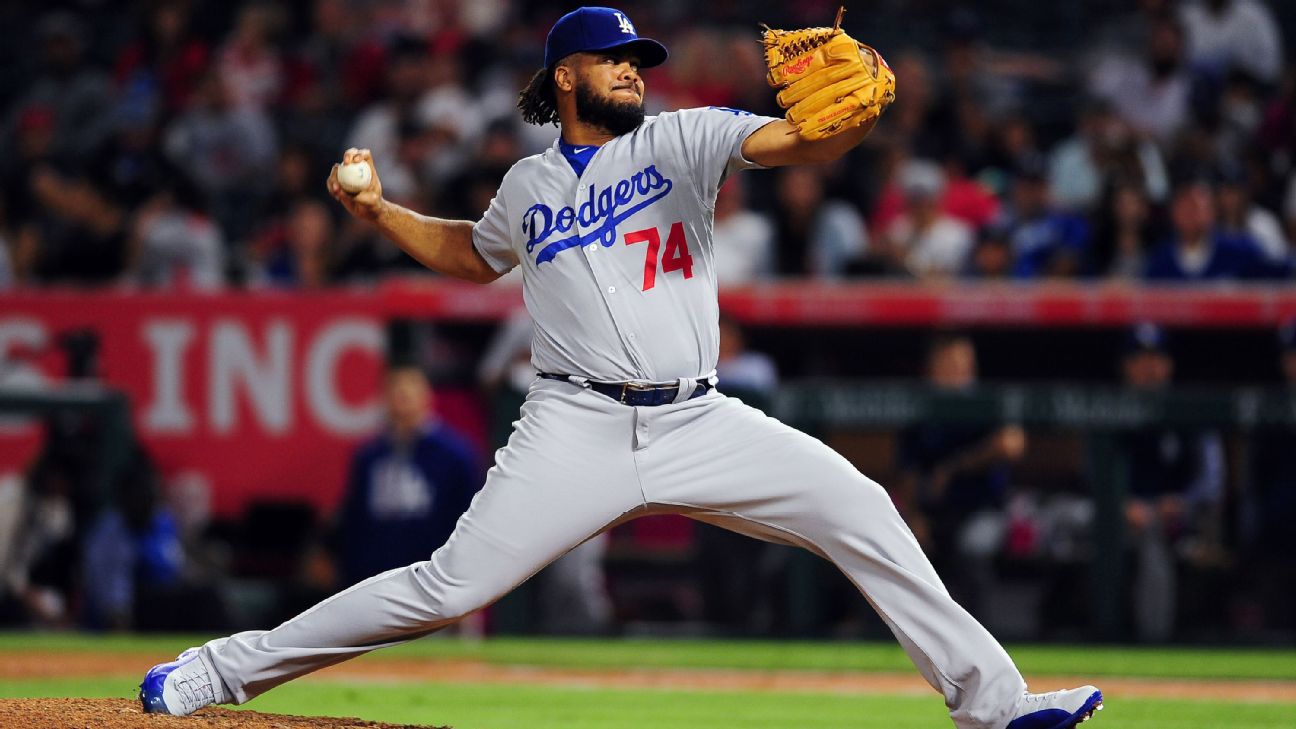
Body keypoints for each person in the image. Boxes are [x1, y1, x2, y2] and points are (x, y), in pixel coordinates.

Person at [140, 8, 1102, 728]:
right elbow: (473, 256)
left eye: (644, 60)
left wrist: (859, 121)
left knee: (863, 508)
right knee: (444, 588)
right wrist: (378, 214)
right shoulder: (527, 184)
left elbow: (804, 135)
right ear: (567, 76)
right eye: (618, 60)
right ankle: (220, 669)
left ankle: (998, 704)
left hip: (700, 418)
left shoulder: (685, 139)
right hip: (573, 427)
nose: (639, 73)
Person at [895, 334, 1027, 619]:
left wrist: (957, 466)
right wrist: (914, 518)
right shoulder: (920, 410)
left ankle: (983, 638)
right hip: (936, 514)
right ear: (933, 367)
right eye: (949, 362)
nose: (958, 369)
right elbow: (908, 473)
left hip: (986, 510)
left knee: (973, 547)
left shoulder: (987, 401)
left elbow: (1012, 443)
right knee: (900, 548)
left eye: (963, 362)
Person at [1116, 324, 1225, 642]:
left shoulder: (1189, 411)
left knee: (1152, 535)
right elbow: (1090, 476)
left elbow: (1212, 479)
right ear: (1126, 365)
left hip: (1181, 517)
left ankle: (1152, 640)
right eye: (1139, 358)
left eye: (1156, 358)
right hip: (1116, 514)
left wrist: (1183, 502)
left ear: (1169, 364)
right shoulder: (1109, 407)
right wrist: (1120, 503)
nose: (1149, 366)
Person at [335, 363, 481, 589]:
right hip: (377, 576)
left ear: (426, 397)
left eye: (408, 392)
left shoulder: (454, 454)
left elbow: (469, 517)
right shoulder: (369, 456)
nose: (401, 400)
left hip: (435, 579)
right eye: (395, 392)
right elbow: (355, 521)